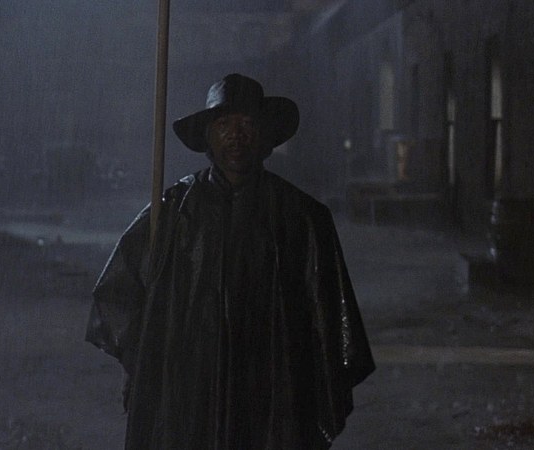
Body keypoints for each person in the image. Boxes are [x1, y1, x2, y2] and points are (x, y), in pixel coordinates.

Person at [86, 73, 374, 449]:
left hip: (272, 390)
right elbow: (119, 293)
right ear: (208, 136)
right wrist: (143, 360)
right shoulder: (173, 212)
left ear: (264, 135)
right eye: (223, 124)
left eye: (247, 124)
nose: (235, 135)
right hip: (192, 389)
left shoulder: (300, 217)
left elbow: (330, 317)